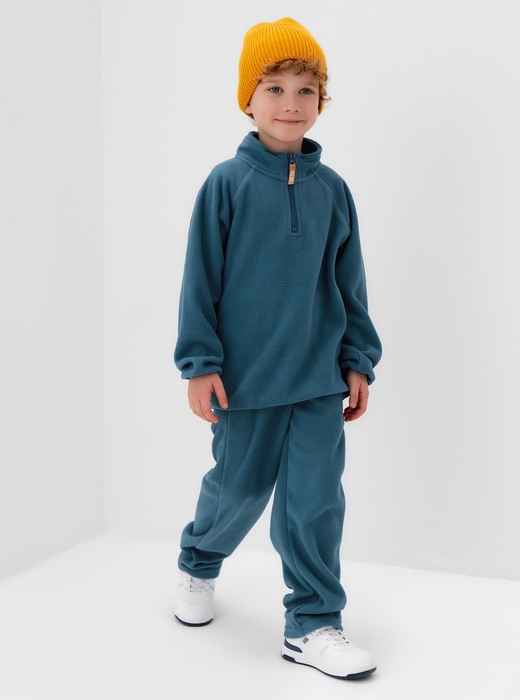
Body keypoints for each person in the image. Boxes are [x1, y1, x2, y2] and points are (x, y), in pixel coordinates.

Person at [172, 17, 382, 680]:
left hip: (318, 380)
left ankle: (313, 623)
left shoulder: (333, 191)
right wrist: (200, 364)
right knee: (236, 490)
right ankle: (199, 562)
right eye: (275, 88)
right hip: (247, 381)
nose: (291, 103)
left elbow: (350, 283)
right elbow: (199, 281)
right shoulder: (226, 184)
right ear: (249, 98)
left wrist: (357, 359)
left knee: (315, 503)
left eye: (306, 90)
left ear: (321, 100)